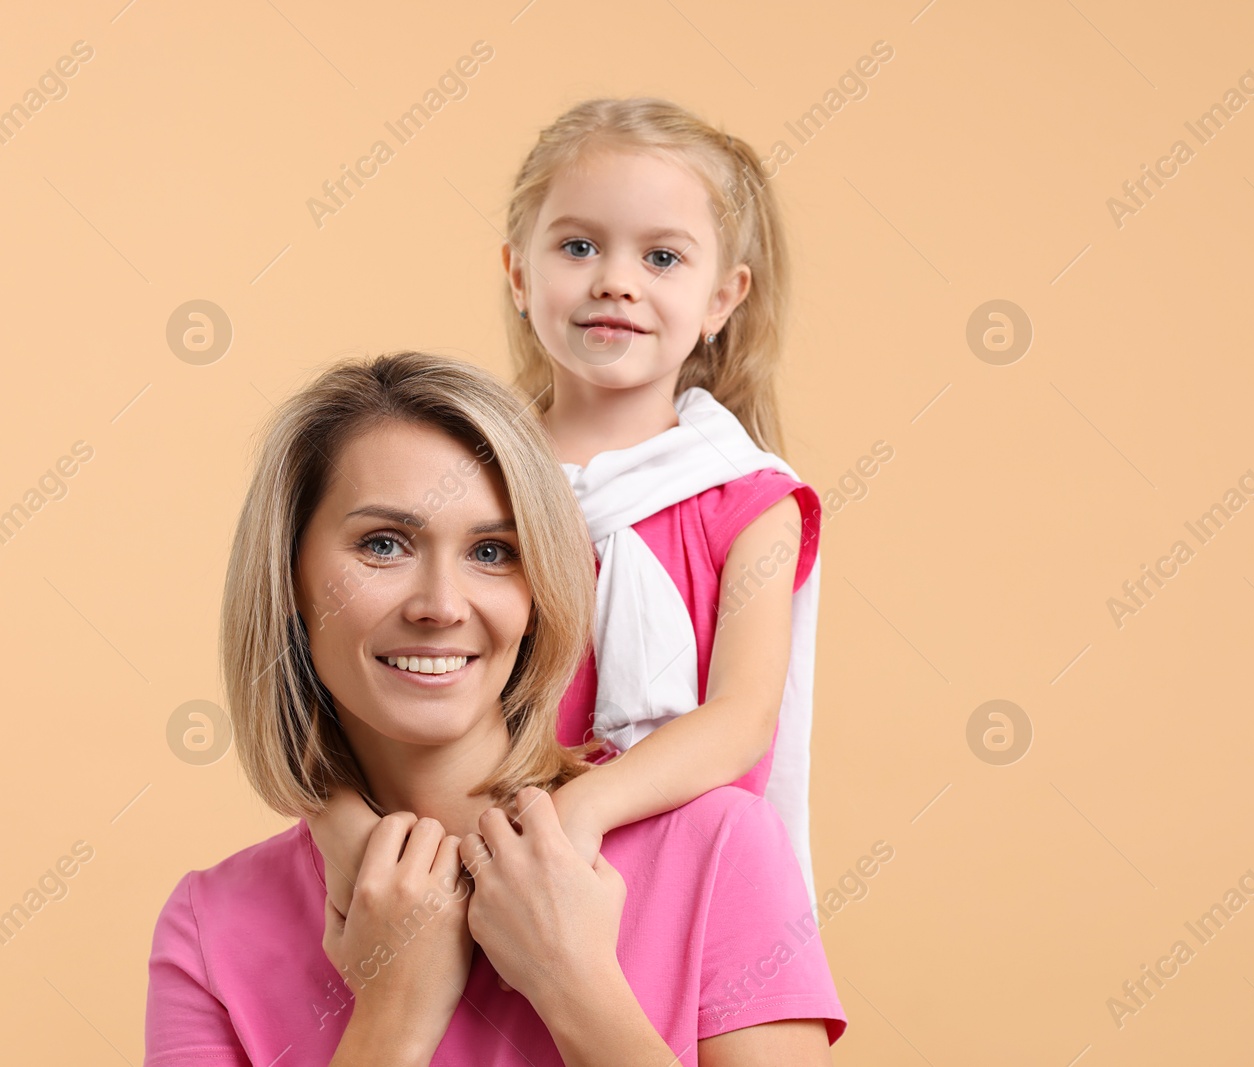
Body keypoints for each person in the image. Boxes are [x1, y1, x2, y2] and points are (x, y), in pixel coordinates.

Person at [143, 351, 846, 1065]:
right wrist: (391, 1019)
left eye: (491, 551)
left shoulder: (720, 849)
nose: (442, 606)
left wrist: (575, 982)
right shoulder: (211, 927)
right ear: (288, 575)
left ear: (538, 591)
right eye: (383, 544)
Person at [311, 97, 828, 919]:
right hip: (478, 859)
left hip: (670, 864)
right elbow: (347, 668)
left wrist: (581, 810)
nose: (615, 280)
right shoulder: (473, 475)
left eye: (662, 257)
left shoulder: (748, 497)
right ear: (519, 272)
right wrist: (335, 822)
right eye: (579, 246)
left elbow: (740, 716)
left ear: (722, 299)